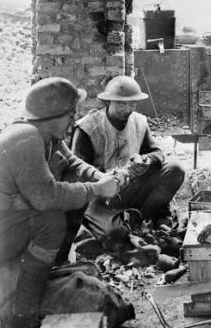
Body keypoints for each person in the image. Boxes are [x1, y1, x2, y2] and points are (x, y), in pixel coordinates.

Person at [0, 77, 120, 328]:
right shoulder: (27, 139)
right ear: (53, 116)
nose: (74, 120)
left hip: (1, 219)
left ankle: (47, 271)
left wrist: (97, 178)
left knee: (73, 192)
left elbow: (73, 165)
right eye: (71, 114)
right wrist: (96, 191)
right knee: (49, 220)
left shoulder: (46, 135)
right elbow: (47, 198)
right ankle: (21, 322)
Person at [72, 75, 185, 240]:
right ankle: (122, 224)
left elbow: (157, 153)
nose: (127, 109)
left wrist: (145, 160)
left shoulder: (139, 121)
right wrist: (108, 177)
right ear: (108, 102)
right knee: (113, 235)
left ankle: (140, 219)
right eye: (121, 104)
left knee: (175, 170)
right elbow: (78, 173)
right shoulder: (87, 128)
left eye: (132, 104)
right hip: (103, 195)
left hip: (133, 186)